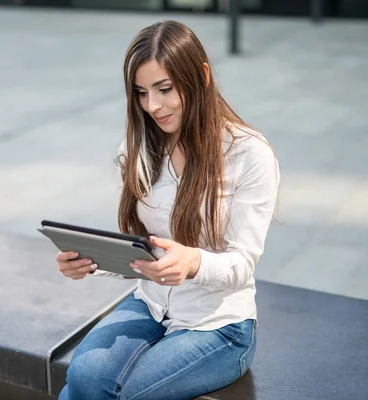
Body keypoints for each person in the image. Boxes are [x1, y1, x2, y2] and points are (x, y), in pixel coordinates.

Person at [55, 20, 280, 400]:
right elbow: (144, 251)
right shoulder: (141, 151)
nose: (152, 106)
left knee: (135, 395)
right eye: (142, 93)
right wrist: (92, 263)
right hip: (151, 305)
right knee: (84, 377)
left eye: (164, 89)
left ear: (201, 76)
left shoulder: (249, 154)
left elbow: (242, 264)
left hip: (220, 326)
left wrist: (193, 262)